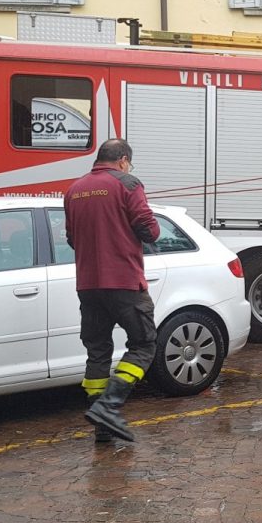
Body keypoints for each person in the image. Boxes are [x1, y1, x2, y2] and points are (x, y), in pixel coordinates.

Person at [65, 139, 160, 442]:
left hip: (88, 285)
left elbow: (71, 239)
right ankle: (110, 405)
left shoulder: (74, 189)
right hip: (123, 282)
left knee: (98, 352)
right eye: (129, 164)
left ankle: (102, 427)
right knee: (144, 345)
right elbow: (150, 230)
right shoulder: (127, 183)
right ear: (122, 160)